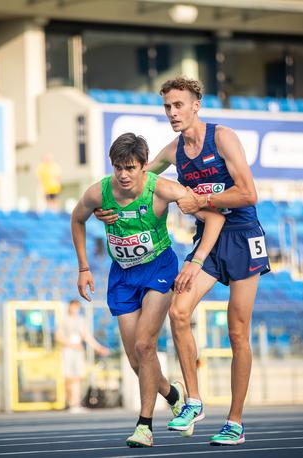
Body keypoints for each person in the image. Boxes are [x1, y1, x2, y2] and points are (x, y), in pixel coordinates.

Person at [95, 76, 270, 446]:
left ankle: (235, 422)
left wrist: (203, 201)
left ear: (195, 106)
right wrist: (108, 209)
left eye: (178, 105)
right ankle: (192, 401)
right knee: (179, 311)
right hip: (205, 240)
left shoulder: (222, 138)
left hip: (241, 237)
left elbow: (249, 193)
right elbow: (135, 182)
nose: (173, 113)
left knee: (237, 330)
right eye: (167, 107)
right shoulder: (173, 152)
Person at [71, 132, 225, 447]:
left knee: (145, 345)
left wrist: (196, 261)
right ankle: (172, 393)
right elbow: (77, 219)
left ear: (144, 166)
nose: (124, 175)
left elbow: (212, 217)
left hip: (159, 269)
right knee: (135, 360)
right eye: (118, 168)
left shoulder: (163, 190)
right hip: (123, 276)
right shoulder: (99, 193)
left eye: (130, 168)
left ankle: (144, 426)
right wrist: (84, 268)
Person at [55, 299, 110, 413]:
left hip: (78, 351)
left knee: (78, 377)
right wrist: (71, 344)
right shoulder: (64, 320)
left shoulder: (81, 320)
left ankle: (76, 403)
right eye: (73, 307)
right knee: (69, 377)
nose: (74, 309)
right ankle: (70, 403)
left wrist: (99, 348)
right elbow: (58, 337)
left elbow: (87, 337)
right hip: (68, 350)